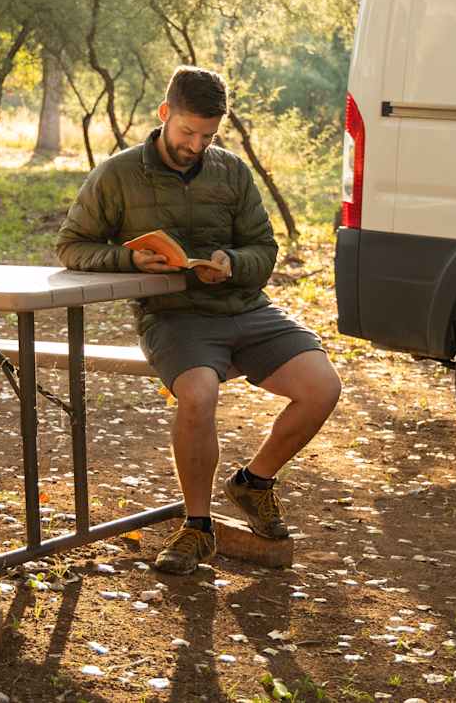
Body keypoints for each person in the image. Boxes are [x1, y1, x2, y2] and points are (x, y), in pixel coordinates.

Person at [56, 65, 342, 575]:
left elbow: (264, 247)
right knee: (198, 395)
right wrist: (128, 260)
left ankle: (254, 484)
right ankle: (197, 527)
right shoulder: (117, 175)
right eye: (188, 131)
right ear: (165, 114)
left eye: (208, 135)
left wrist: (233, 263)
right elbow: (71, 245)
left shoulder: (230, 171)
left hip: (243, 308)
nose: (196, 144)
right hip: (173, 317)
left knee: (322, 387)